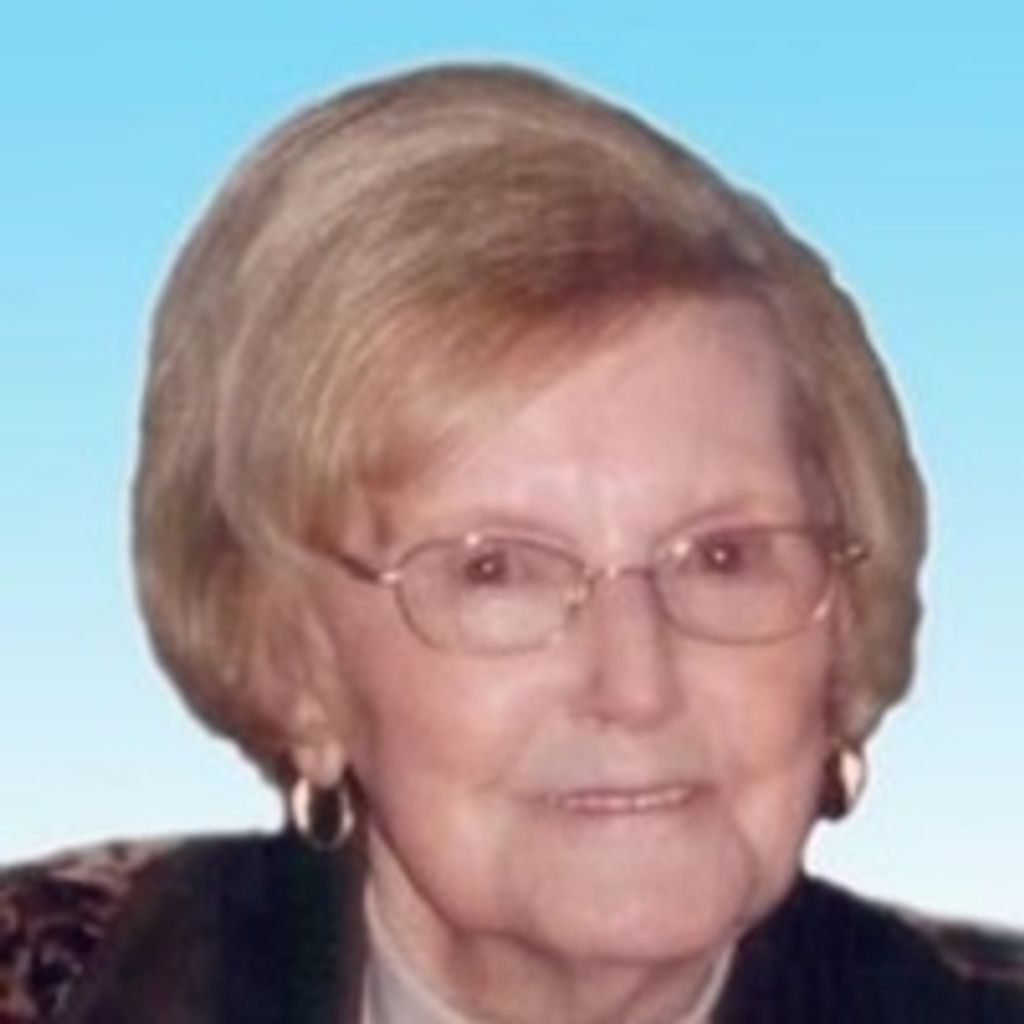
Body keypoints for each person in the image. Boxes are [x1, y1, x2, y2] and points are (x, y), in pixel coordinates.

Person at [2, 62, 1022, 1024]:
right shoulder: (64, 981)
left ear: (844, 625)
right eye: (495, 571)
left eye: (724, 556)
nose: (637, 686)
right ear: (290, 662)